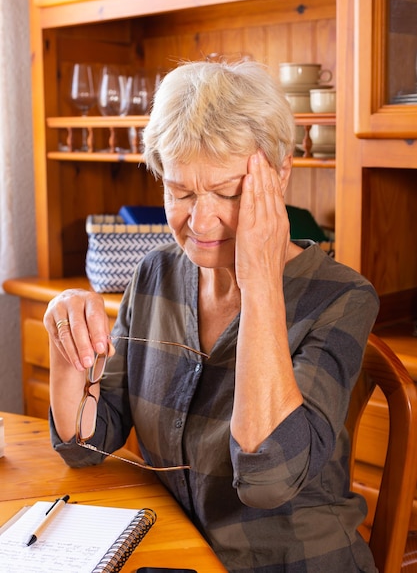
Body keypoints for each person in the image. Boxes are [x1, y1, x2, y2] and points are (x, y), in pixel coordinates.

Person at [44, 60, 379, 572]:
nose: (200, 221)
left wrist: (260, 281)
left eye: (228, 193)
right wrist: (68, 342)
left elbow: (267, 481)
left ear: (281, 172)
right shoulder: (155, 274)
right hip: (176, 556)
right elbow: (90, 444)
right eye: (180, 192)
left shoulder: (341, 297)